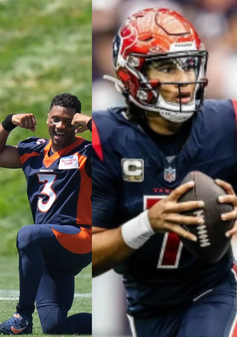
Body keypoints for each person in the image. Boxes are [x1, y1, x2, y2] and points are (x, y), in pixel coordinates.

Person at [91, 8, 237, 337]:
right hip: (146, 305)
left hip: (212, 292)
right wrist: (147, 224)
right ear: (131, 73)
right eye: (167, 67)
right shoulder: (106, 137)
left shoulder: (225, 122)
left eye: (188, 65)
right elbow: (88, 254)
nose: (184, 80)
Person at [0, 93, 92, 335]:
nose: (60, 125)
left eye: (67, 121)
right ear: (47, 119)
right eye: (55, 119)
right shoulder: (35, 149)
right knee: (54, 326)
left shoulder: (87, 151)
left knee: (28, 234)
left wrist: (92, 122)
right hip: (49, 246)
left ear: (76, 123)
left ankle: (22, 316)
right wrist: (9, 121)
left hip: (80, 238)